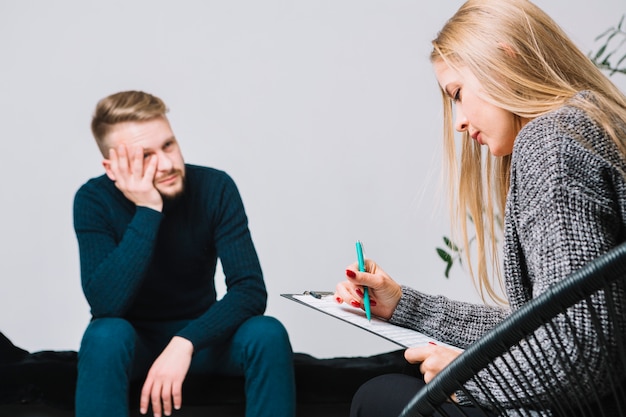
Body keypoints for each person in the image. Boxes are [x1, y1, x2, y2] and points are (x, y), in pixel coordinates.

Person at [335, 0, 626, 416]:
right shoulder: (589, 125)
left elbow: (579, 349)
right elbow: (541, 327)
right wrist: (403, 306)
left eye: (457, 93)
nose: (457, 121)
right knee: (389, 375)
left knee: (378, 396)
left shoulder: (552, 142)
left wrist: (466, 377)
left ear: (505, 58)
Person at [73, 90, 296, 417]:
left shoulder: (215, 187)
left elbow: (249, 290)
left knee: (267, 332)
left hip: (202, 341)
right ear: (112, 167)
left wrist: (184, 342)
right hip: (133, 345)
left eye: (168, 145)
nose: (167, 163)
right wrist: (149, 209)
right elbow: (105, 304)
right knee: (105, 333)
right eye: (145, 156)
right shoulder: (93, 200)